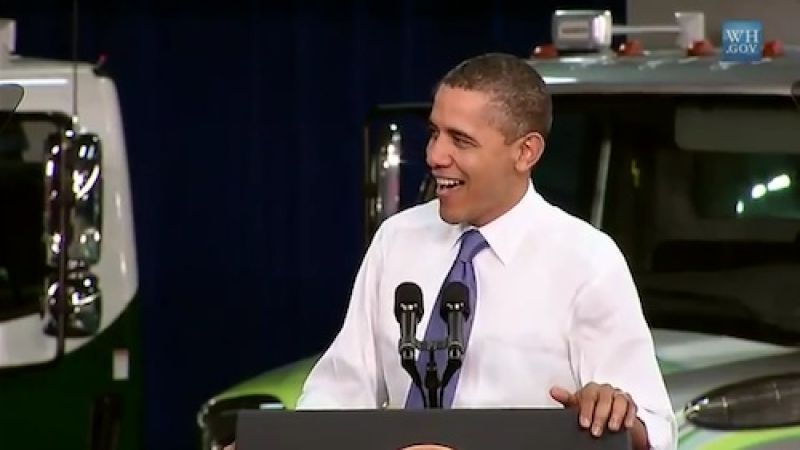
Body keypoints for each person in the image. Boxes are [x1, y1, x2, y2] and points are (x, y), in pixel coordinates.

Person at [227, 52, 677, 450]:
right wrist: (281, 445)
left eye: (460, 140)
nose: (435, 155)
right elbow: (342, 391)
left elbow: (655, 427)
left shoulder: (587, 261)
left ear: (526, 152)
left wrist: (614, 413)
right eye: (434, 133)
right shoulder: (397, 239)